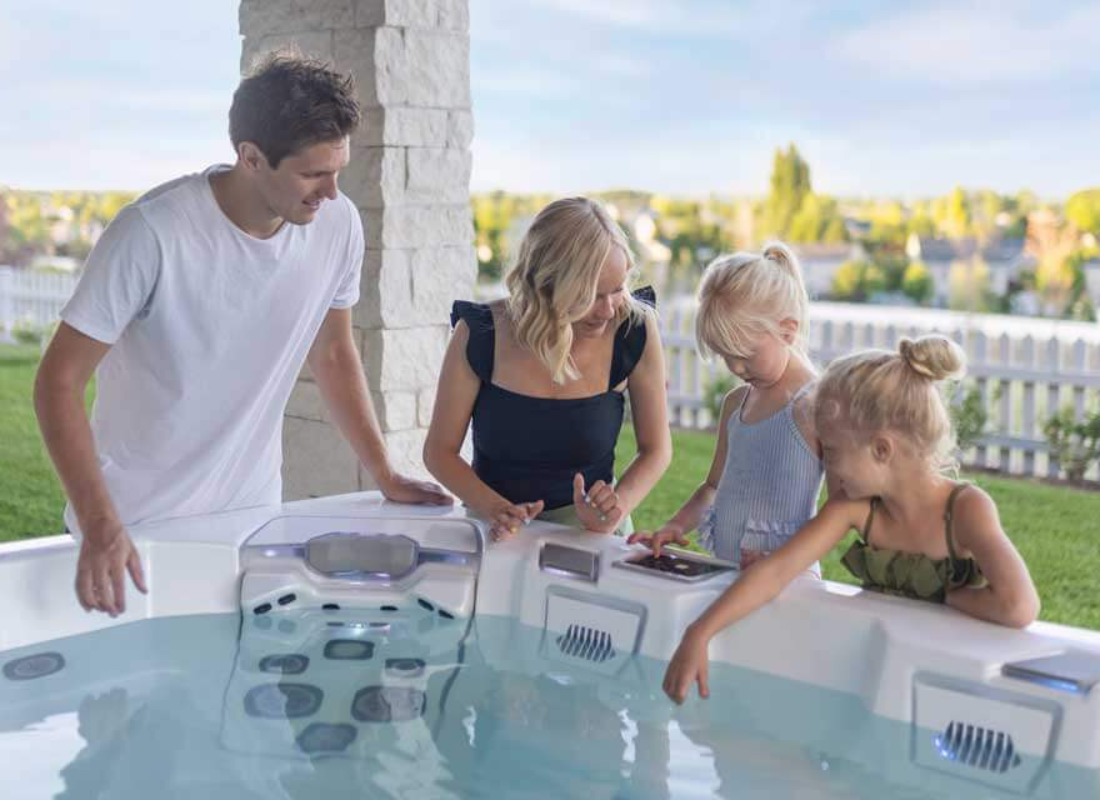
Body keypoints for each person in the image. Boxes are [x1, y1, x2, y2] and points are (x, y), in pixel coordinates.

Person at [33, 53, 450, 619]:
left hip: (250, 522)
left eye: (337, 170)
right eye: (312, 174)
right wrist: (100, 523)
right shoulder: (152, 233)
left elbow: (332, 352)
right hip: (133, 532)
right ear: (251, 157)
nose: (330, 192)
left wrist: (384, 472)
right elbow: (58, 381)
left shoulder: (337, 225)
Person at [662, 335, 1041, 704]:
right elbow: (774, 573)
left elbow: (1018, 606)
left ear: (881, 450)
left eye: (833, 450)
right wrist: (699, 633)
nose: (828, 465)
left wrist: (943, 596)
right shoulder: (856, 508)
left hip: (948, 682)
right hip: (881, 675)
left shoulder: (965, 511)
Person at [423, 197, 672, 541]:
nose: (608, 310)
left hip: (592, 537)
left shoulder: (633, 328)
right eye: (590, 296)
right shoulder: (479, 334)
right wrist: (496, 509)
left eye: (617, 290)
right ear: (546, 285)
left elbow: (657, 449)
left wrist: (613, 509)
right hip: (495, 532)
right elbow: (439, 452)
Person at [629, 243, 830, 571]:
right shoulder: (737, 404)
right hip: (728, 572)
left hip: (789, 582)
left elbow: (839, 513)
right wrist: (675, 525)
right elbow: (713, 487)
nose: (735, 368)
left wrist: (783, 561)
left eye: (745, 355)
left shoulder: (814, 405)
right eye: (725, 356)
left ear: (787, 331)